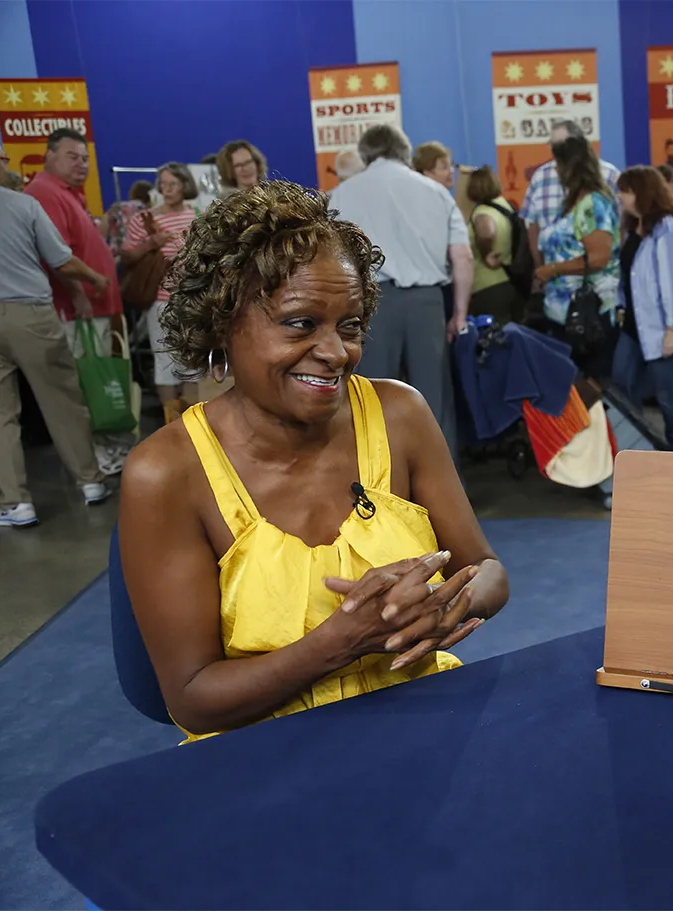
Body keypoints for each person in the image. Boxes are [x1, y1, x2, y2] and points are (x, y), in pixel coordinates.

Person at [118, 180, 510, 741]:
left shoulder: (399, 414)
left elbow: (488, 570)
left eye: (349, 326)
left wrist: (445, 605)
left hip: (425, 723)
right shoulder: (168, 473)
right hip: (268, 757)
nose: (335, 353)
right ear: (223, 321)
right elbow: (194, 701)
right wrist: (339, 643)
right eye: (301, 323)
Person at [328, 124, 472, 455]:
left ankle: (378, 484)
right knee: (434, 400)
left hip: (369, 304)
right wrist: (460, 314)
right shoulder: (435, 191)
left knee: (372, 401)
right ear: (404, 152)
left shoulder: (343, 194)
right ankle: (443, 491)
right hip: (427, 303)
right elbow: (462, 257)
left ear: (365, 155)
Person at [0, 140, 110, 525]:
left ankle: (14, 502)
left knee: (0, 414)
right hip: (31, 315)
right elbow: (61, 259)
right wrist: (96, 277)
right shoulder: (25, 204)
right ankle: (90, 482)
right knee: (61, 400)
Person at [26, 128, 129, 474]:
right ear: (49, 155)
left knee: (98, 381)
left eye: (85, 158)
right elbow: (56, 254)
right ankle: (95, 456)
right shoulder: (44, 193)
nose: (82, 164)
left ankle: (104, 450)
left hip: (94, 309)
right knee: (88, 384)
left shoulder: (70, 194)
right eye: (72, 156)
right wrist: (77, 294)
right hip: (78, 312)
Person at [612, 165, 673, 452]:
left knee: (666, 394)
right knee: (622, 388)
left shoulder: (668, 229)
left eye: (625, 191)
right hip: (634, 324)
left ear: (641, 193)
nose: (620, 197)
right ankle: (636, 449)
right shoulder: (635, 228)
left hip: (663, 327)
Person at [530, 135, 621, 379]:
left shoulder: (593, 204)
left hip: (589, 313)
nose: (556, 169)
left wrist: (554, 269)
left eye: (559, 163)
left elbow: (599, 258)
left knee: (591, 387)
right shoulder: (573, 202)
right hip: (564, 313)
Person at [122, 162, 201, 423]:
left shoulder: (196, 215)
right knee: (166, 365)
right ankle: (173, 426)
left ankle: (193, 426)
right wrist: (150, 244)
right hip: (161, 303)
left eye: (173, 184)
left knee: (192, 366)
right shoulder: (145, 220)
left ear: (185, 186)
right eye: (163, 184)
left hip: (191, 301)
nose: (167, 190)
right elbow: (127, 256)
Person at [520, 119, 620, 267]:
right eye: (553, 146)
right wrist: (541, 268)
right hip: (556, 280)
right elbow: (532, 226)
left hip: (597, 278)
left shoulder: (609, 175)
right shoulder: (540, 177)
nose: (557, 152)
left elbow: (622, 223)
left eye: (562, 146)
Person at [464, 165, 523, 324]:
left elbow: (486, 233)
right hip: (509, 281)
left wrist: (486, 255)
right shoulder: (505, 206)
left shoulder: (482, 212)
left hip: (487, 285)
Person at [100, 179, 153, 266]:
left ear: (133, 193)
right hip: (139, 257)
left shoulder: (117, 207)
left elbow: (102, 231)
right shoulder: (149, 212)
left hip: (116, 257)